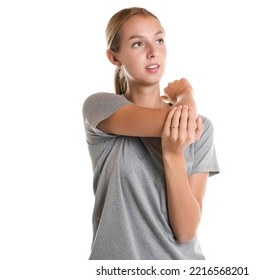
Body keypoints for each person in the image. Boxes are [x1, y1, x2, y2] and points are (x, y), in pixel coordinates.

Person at [82, 7, 220, 260]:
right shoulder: (100, 108)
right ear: (115, 58)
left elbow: (186, 231)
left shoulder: (204, 128)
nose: (153, 51)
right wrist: (186, 93)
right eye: (137, 44)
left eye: (159, 40)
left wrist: (173, 156)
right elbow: (183, 122)